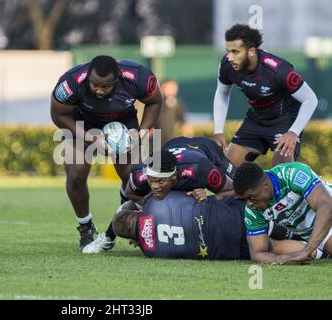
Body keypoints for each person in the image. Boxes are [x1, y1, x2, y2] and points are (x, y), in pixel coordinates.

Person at [50, 55, 162, 249]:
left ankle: (128, 213)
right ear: (88, 78)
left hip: (123, 124)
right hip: (81, 124)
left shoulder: (138, 77)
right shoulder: (71, 81)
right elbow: (58, 114)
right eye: (94, 85)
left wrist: (141, 132)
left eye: (105, 86)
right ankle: (85, 228)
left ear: (117, 80)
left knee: (133, 178)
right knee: (76, 175)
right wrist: (90, 137)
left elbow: (155, 101)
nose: (99, 90)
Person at [82, 142, 235, 253]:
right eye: (151, 181)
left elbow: (232, 190)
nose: (154, 186)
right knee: (130, 204)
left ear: (174, 177)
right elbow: (130, 194)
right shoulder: (141, 174)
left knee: (243, 191)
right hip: (173, 145)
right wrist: (146, 206)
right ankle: (108, 238)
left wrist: (208, 198)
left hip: (206, 150)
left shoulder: (199, 169)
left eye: (160, 181)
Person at [213, 24, 318, 167]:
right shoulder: (226, 65)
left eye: (235, 52)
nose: (230, 57)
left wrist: (293, 132)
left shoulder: (279, 70)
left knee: (282, 175)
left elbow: (310, 99)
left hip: (285, 121)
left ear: (251, 51)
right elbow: (221, 93)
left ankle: (321, 188)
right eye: (228, 51)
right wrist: (218, 130)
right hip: (256, 119)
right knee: (227, 170)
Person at [111, 192, 314, 260]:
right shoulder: (154, 202)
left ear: (131, 239)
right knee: (271, 217)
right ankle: (313, 225)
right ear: (136, 212)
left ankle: (317, 250)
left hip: (229, 248)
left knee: (273, 247)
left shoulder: (150, 252)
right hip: (230, 216)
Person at [233, 162, 332, 264]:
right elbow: (257, 254)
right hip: (316, 233)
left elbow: (326, 206)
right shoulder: (252, 210)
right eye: (245, 200)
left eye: (251, 197)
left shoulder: (291, 174)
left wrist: (305, 251)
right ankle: (319, 251)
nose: (249, 203)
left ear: (264, 186)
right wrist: (283, 259)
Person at [152, 79, 186, 145]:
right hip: (156, 133)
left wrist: (184, 124)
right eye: (170, 88)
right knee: (156, 153)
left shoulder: (176, 101)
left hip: (170, 134)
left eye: (175, 88)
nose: (173, 90)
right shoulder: (156, 100)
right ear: (162, 87)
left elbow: (181, 114)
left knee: (168, 150)